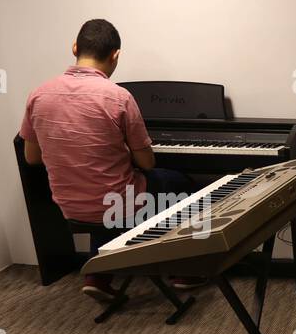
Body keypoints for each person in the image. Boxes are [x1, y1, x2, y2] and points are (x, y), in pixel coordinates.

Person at [19, 18, 201, 301]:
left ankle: (98, 275)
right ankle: (185, 270)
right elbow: (148, 163)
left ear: (75, 47)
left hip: (70, 207)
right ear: (115, 55)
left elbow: (31, 157)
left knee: (100, 187)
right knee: (182, 184)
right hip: (116, 205)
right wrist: (122, 152)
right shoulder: (118, 97)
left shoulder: (38, 95)